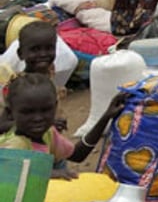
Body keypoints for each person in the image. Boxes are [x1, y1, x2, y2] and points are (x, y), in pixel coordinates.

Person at [0, 72, 128, 179]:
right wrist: (47, 174)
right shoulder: (14, 145)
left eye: (45, 110)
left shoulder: (48, 134)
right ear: (10, 113)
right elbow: (10, 177)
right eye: (28, 112)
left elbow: (77, 155)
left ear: (55, 107)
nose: (38, 118)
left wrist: (105, 117)